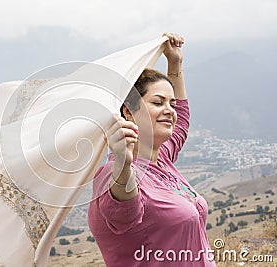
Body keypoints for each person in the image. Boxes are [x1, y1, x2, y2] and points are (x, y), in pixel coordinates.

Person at [88, 33, 217, 267]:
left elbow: (182, 121)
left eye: (171, 104)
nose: (169, 110)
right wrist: (122, 164)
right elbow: (123, 211)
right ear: (128, 111)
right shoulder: (112, 173)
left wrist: (175, 63)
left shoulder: (161, 159)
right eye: (158, 103)